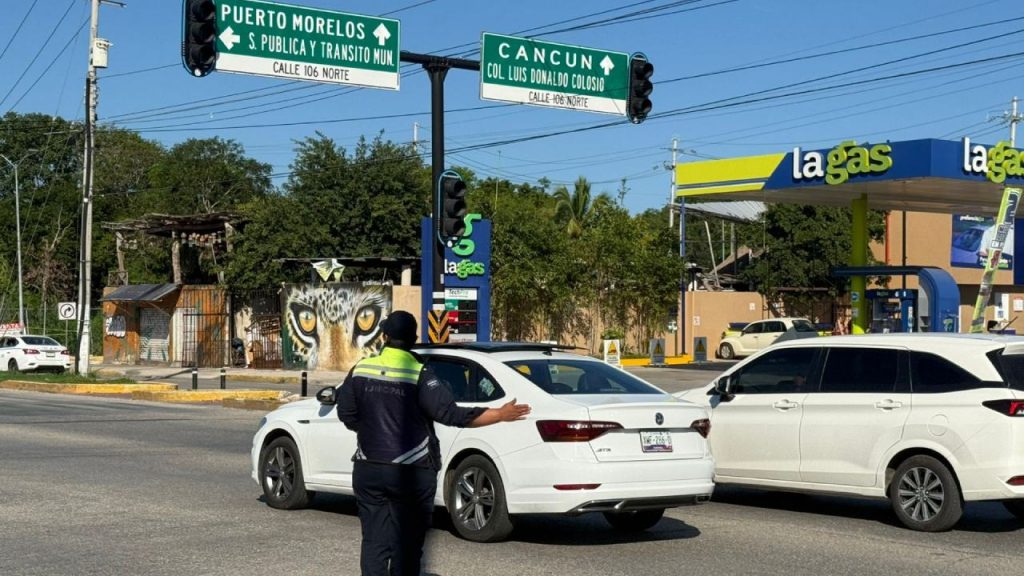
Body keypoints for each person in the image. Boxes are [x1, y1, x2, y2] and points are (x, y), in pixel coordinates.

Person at [336, 311, 530, 576]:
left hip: (368, 467)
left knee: (374, 541)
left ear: (384, 336)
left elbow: (346, 413)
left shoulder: (361, 369)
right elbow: (450, 414)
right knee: (407, 543)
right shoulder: (419, 373)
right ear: (413, 338)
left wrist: (369, 431)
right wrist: (499, 414)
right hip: (411, 471)